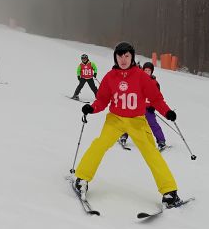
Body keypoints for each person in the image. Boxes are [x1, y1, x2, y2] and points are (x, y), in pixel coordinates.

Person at [73, 41, 182, 208]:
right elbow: (102, 100)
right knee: (99, 144)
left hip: (137, 121)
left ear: (132, 57)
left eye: (126, 56)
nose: (123, 59)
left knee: (151, 152)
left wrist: (167, 112)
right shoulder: (110, 77)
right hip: (115, 119)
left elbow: (156, 99)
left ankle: (169, 192)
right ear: (115, 58)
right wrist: (91, 108)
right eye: (119, 56)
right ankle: (81, 179)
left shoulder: (141, 76)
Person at [142, 62, 167, 150]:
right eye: (145, 70)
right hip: (138, 108)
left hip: (149, 108)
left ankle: (161, 141)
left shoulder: (155, 83)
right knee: (130, 121)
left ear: (151, 71)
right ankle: (124, 136)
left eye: (149, 70)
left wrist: (153, 106)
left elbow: (157, 97)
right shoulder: (138, 80)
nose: (147, 72)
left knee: (153, 124)